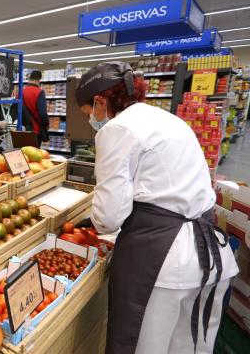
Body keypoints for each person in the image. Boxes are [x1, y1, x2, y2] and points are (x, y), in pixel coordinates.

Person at [75, 62, 238, 354]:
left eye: (89, 112)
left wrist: (96, 218)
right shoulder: (167, 119)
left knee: (144, 345)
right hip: (208, 253)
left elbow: (109, 218)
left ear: (100, 101)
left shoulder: (117, 129)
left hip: (162, 261)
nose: (92, 119)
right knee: (188, 345)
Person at [0, 87, 32, 152]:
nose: (7, 97)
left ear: (13, 94)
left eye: (9, 94)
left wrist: (21, 128)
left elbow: (30, 125)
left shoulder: (20, 107)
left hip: (17, 150)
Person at [22, 70, 49, 146]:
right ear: (39, 79)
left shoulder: (20, 92)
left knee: (23, 154)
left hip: (22, 130)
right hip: (35, 130)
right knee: (34, 154)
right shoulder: (39, 92)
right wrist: (46, 124)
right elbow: (42, 113)